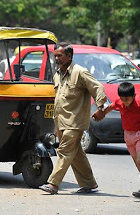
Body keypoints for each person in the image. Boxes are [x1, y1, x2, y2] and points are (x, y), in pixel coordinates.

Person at [39, 42, 106, 195]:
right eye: (55, 55)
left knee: (64, 151)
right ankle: (89, 183)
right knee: (76, 153)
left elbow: (98, 88)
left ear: (69, 56)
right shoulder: (57, 74)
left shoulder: (80, 72)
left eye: (60, 55)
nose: (56, 58)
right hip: (61, 121)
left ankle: (53, 184)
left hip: (75, 122)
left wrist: (101, 109)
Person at [92, 82, 140, 201]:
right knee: (138, 163)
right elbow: (111, 106)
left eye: (127, 99)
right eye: (122, 99)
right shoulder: (119, 102)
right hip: (128, 135)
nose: (124, 102)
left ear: (133, 95)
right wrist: (101, 113)